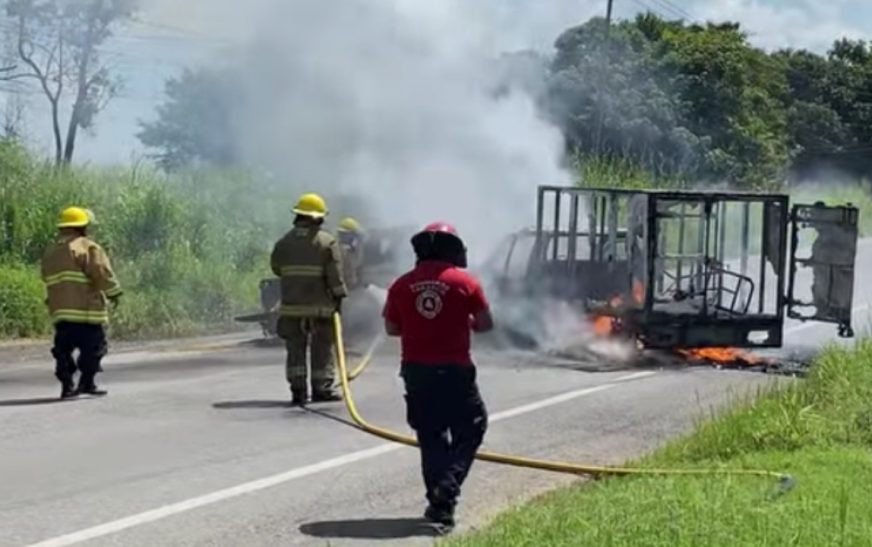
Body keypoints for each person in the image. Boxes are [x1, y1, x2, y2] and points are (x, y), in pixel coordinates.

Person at [381, 222, 494, 531]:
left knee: (431, 436)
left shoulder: (401, 285)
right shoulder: (466, 283)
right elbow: (485, 324)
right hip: (455, 371)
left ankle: (440, 504)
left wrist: (418, 326)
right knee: (471, 427)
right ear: (453, 249)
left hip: (416, 371)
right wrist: (461, 322)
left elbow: (391, 328)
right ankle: (448, 487)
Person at [270, 192, 347, 406]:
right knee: (322, 349)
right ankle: (322, 389)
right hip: (320, 309)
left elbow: (276, 268)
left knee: (295, 350)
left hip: (291, 309)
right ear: (318, 217)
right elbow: (335, 276)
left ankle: (298, 390)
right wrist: (339, 298)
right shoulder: (326, 242)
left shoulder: (283, 242)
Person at [41, 206, 123, 399]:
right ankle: (87, 382)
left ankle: (67, 387)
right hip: (87, 312)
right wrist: (114, 293)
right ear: (83, 226)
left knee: (63, 351)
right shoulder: (87, 247)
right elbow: (101, 272)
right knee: (94, 349)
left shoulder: (51, 251)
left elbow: (46, 277)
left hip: (61, 314)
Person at [337, 216, 366, 291]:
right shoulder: (337, 246)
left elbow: (357, 265)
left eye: (345, 234)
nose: (342, 236)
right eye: (341, 234)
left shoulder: (357, 247)